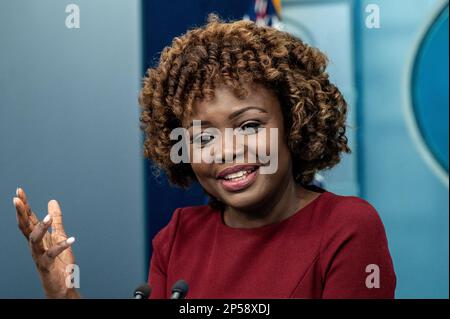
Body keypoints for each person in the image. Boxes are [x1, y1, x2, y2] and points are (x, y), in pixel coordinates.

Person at [13, 15, 396, 299]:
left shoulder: (347, 227)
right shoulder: (178, 237)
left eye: (248, 126)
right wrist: (65, 295)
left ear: (294, 122)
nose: (226, 150)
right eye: (203, 136)